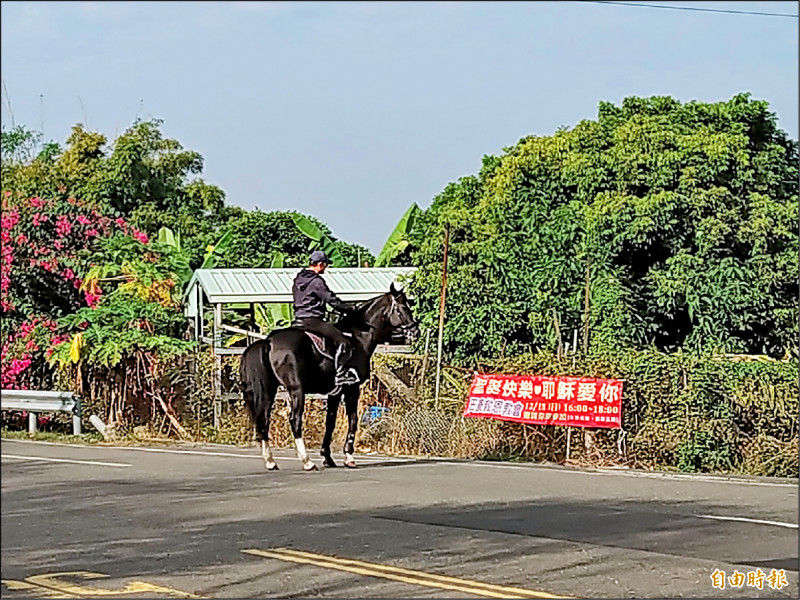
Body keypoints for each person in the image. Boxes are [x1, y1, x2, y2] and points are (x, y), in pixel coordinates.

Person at [292, 250, 359, 390]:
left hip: (298, 319)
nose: (326, 268)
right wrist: (349, 309)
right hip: (313, 321)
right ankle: (341, 375)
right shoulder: (317, 282)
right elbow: (331, 300)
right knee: (343, 341)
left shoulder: (298, 279)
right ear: (320, 265)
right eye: (326, 265)